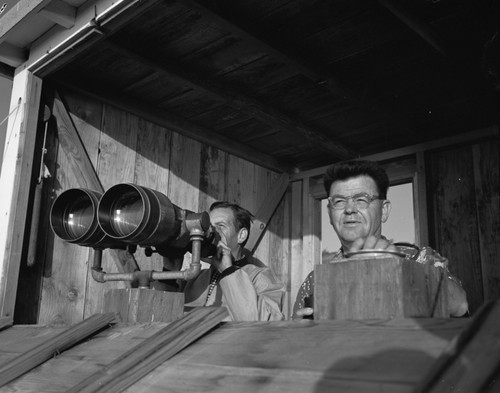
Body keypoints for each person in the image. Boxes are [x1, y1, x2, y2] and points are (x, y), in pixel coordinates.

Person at [293, 160, 469, 319]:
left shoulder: (420, 259)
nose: (349, 209)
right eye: (339, 201)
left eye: (361, 199)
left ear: (384, 210)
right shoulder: (314, 281)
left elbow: (460, 305)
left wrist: (403, 273)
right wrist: (298, 334)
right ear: (329, 214)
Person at [181, 201, 284, 321]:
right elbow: (162, 313)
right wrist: (170, 266)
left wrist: (228, 271)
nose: (211, 231)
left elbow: (265, 324)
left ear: (241, 235)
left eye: (220, 225)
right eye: (209, 225)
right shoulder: (195, 277)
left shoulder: (260, 277)